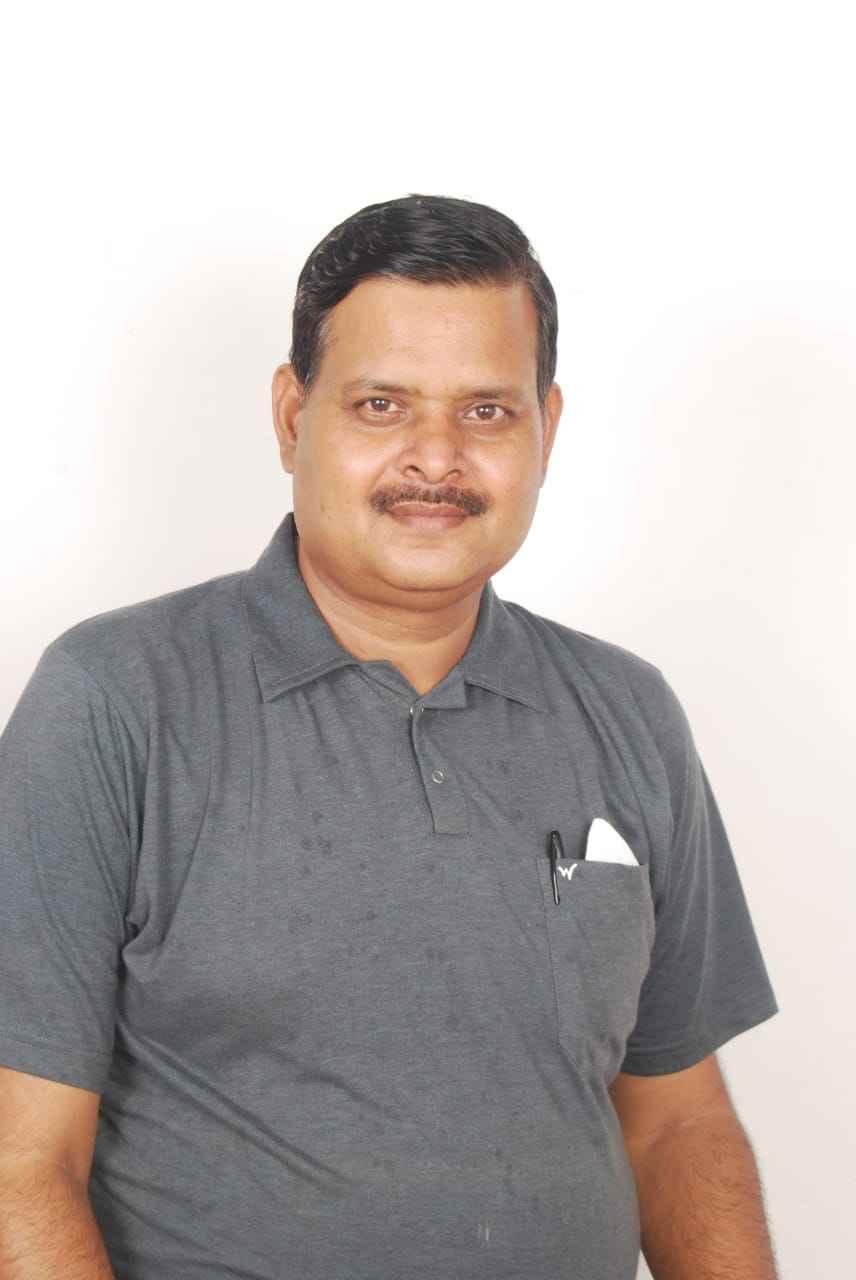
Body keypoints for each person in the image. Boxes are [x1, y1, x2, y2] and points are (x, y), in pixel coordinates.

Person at [0, 193, 781, 1279]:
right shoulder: (116, 699)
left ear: (547, 427)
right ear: (292, 416)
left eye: (487, 411)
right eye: (380, 404)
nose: (435, 458)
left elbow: (676, 1124)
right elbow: (21, 1159)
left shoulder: (628, 710)